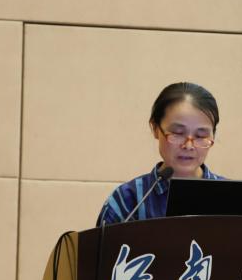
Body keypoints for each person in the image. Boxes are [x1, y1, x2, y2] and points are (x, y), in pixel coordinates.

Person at [96, 82, 225, 225]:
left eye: (201, 136)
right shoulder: (128, 201)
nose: (188, 146)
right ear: (155, 128)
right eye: (178, 133)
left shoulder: (231, 196)